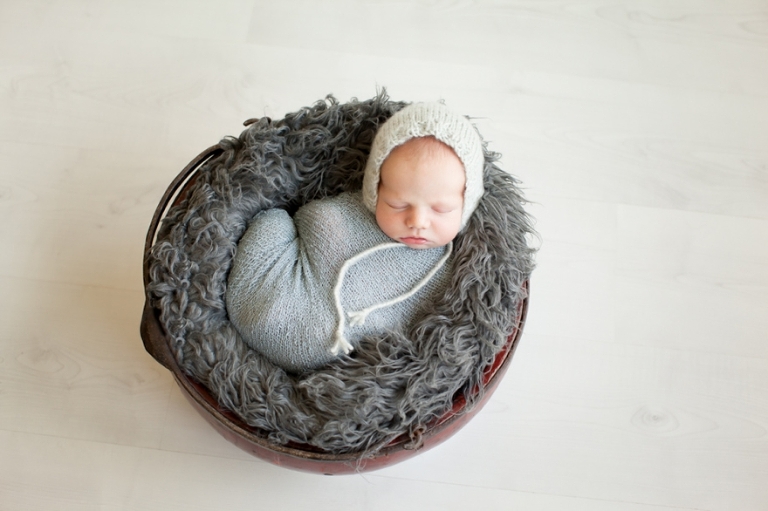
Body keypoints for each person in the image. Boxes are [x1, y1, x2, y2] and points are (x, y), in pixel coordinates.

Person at [225, 102, 485, 372]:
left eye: (441, 209)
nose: (417, 222)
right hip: (261, 300)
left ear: (467, 205)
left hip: (334, 357)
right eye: (397, 204)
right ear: (374, 190)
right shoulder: (348, 212)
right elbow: (313, 218)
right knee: (272, 221)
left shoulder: (454, 273)